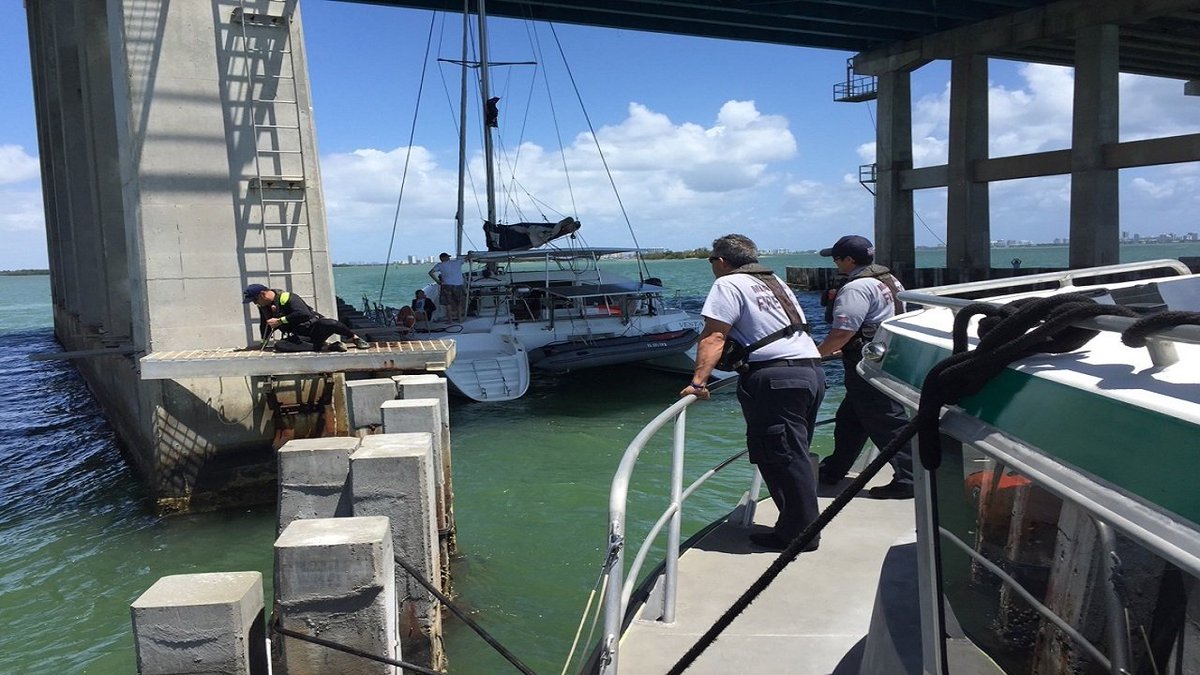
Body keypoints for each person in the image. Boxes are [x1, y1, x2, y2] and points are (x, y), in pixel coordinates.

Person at [682, 234, 826, 552]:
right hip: (810, 372)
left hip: (776, 379)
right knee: (792, 455)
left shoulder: (728, 284)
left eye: (711, 261)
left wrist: (698, 382)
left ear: (720, 261)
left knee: (785, 457)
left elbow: (714, 336)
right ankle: (795, 526)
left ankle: (801, 534)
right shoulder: (772, 281)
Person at [814, 235, 914, 499]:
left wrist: (814, 355)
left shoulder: (856, 288)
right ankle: (835, 468)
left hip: (867, 364)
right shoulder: (889, 280)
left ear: (849, 260)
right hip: (889, 356)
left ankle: (911, 477)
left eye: (837, 258)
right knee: (850, 419)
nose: (835, 263)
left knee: (887, 419)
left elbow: (842, 333)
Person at [243, 284, 370, 352]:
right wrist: (263, 344)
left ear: (263, 294)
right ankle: (328, 347)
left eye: (255, 300)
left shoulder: (287, 297)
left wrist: (280, 320)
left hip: (314, 327)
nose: (255, 303)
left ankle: (355, 338)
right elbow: (264, 325)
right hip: (300, 335)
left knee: (331, 323)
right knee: (280, 346)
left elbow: (303, 314)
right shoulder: (264, 306)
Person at [429, 253, 465, 323]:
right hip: (458, 285)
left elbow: (430, 273)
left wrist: (438, 281)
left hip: (446, 285)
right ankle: (460, 319)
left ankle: (450, 320)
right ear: (445, 258)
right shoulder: (457, 262)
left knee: (448, 303)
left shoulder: (439, 265)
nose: (449, 258)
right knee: (458, 302)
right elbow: (467, 258)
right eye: (448, 257)